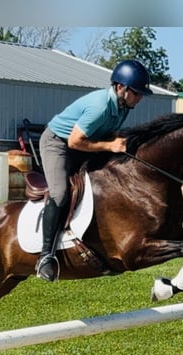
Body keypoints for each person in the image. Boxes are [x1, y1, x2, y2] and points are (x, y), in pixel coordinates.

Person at [35, 59, 153, 282]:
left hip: (83, 143)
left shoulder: (123, 106)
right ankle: (46, 256)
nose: (139, 99)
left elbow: (103, 135)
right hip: (57, 143)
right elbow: (74, 141)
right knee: (60, 193)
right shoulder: (100, 106)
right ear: (121, 88)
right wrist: (110, 145)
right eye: (136, 93)